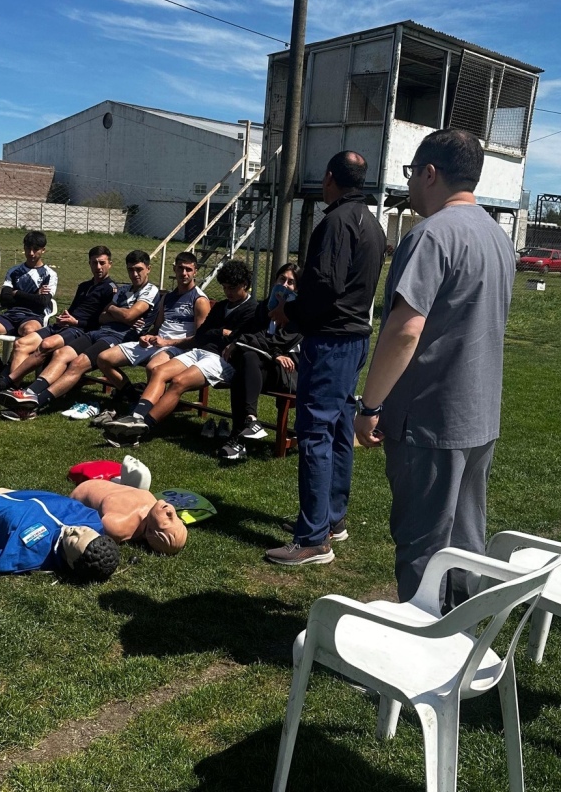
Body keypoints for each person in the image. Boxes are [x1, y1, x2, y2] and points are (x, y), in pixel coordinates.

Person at [353, 129, 515, 608]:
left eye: (411, 174)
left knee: (423, 544)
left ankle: (422, 655)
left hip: (429, 417)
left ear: (429, 172)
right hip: (480, 415)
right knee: (467, 543)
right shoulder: (497, 236)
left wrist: (370, 404)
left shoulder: (430, 235)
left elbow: (405, 330)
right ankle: (462, 641)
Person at [264, 151, 386, 567]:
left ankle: (314, 538)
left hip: (331, 341)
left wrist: (289, 313)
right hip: (354, 338)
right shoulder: (373, 222)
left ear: (329, 178)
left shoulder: (335, 221)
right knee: (337, 429)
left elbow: (325, 286)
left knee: (314, 433)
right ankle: (333, 519)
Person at [102, 259, 257, 445]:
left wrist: (219, 333)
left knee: (178, 381)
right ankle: (136, 417)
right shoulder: (223, 305)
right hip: (200, 351)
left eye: (232, 288)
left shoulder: (253, 310)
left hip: (221, 360)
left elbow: (241, 338)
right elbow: (202, 334)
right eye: (225, 288)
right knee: (159, 371)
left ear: (245, 285)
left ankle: (141, 429)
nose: (228, 292)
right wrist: (221, 332)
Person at [0, 250, 159, 420]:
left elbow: (129, 316)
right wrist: (116, 312)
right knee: (61, 353)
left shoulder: (150, 290)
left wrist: (114, 310)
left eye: (139, 269)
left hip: (119, 338)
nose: (134, 274)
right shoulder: (124, 289)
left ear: (148, 269)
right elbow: (103, 317)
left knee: (78, 364)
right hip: (101, 331)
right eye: (131, 269)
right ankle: (29, 393)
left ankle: (33, 405)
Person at [0, 245, 118, 399]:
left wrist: (76, 322)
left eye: (102, 263)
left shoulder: (111, 290)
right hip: (62, 325)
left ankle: (6, 383)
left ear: (110, 264)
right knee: (20, 344)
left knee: (46, 345)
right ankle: (11, 389)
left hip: (80, 330)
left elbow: (102, 322)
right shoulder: (84, 286)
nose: (98, 267)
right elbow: (73, 309)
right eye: (94, 263)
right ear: (89, 263)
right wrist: (65, 316)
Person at [93, 251, 211, 420]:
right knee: (104, 358)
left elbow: (200, 339)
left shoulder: (199, 300)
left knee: (153, 367)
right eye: (180, 269)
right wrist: (147, 336)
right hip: (157, 343)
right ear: (174, 269)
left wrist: (168, 342)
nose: (183, 273)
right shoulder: (168, 297)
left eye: (188, 269)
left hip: (179, 348)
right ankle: (135, 397)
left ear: (195, 271)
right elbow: (157, 328)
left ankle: (149, 414)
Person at [217, 262, 302, 462]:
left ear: (297, 288)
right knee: (248, 360)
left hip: (289, 373)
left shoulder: (298, 315)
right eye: (282, 280)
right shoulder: (265, 307)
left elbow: (273, 340)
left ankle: (237, 439)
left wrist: (242, 342)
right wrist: (241, 341)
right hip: (263, 367)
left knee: (247, 361)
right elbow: (247, 330)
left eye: (291, 282)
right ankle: (250, 422)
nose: (285, 285)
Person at [0, 489, 120, 582]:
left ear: (70, 562)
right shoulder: (92, 520)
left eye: (74, 540)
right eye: (85, 530)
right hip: (17, 495)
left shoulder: (33, 554)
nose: (75, 530)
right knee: (1, 490)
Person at [0, 230, 58, 375]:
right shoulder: (14, 271)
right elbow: (5, 299)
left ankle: (11, 370)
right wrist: (33, 296)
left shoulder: (49, 274)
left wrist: (17, 293)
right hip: (11, 314)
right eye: (28, 249)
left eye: (36, 250)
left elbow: (42, 302)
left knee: (29, 332)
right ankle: (0, 367)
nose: (31, 253)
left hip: (33, 316)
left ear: (43, 250)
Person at [70, 477, 188, 555]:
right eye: (176, 517)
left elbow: (102, 525)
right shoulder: (152, 504)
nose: (171, 512)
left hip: (76, 500)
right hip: (96, 483)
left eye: (167, 521)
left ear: (151, 532)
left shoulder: (119, 526)